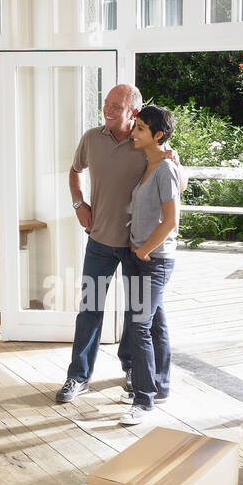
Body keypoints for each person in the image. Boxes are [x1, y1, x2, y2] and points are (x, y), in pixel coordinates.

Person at [55, 85, 178, 404]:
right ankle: (78, 377)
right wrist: (78, 204)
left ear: (133, 111)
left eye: (116, 106)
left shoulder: (146, 142)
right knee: (89, 309)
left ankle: (136, 373)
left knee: (142, 315)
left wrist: (176, 163)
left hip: (137, 247)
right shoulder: (92, 138)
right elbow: (74, 172)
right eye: (106, 104)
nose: (107, 109)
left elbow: (175, 185)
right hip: (99, 242)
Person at [119, 104, 179, 425]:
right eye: (136, 125)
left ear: (158, 135)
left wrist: (144, 250)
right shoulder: (150, 164)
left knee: (139, 325)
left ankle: (143, 399)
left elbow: (171, 221)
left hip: (154, 260)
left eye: (141, 128)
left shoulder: (165, 169)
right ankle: (162, 385)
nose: (134, 131)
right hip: (141, 257)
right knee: (154, 322)